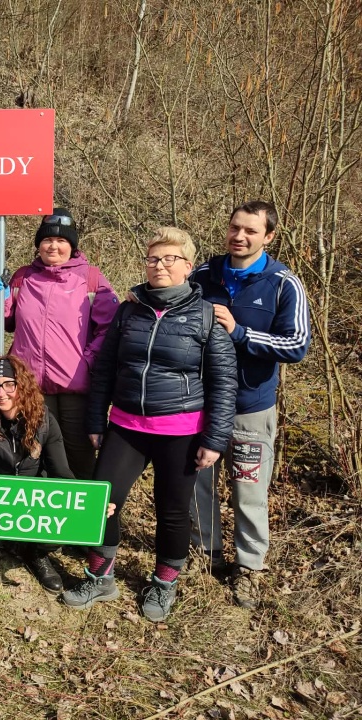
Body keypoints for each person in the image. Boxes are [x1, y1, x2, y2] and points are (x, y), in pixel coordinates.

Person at [64, 227, 237, 622]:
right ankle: (100, 575)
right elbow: (106, 368)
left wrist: (214, 439)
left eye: (169, 259)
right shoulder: (130, 309)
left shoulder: (208, 317)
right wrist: (96, 418)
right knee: (101, 503)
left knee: (173, 510)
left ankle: (164, 583)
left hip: (181, 430)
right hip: (125, 425)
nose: (159, 266)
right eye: (153, 258)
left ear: (188, 267)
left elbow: (224, 382)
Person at [189, 200, 310, 609]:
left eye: (251, 231)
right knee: (198, 483)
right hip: (200, 403)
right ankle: (204, 554)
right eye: (234, 227)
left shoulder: (282, 283)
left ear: (269, 237)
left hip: (250, 407)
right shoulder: (203, 275)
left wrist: (240, 332)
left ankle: (249, 567)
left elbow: (297, 345)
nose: (239, 236)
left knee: (249, 489)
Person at [1, 208, 118, 480]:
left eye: (61, 241)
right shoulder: (23, 277)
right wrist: (1, 298)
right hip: (29, 385)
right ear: (38, 244)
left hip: (75, 389)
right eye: (47, 240)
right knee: (31, 454)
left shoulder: (90, 279)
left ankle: (81, 517)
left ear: (72, 246)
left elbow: (110, 330)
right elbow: (6, 322)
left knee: (78, 456)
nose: (53, 246)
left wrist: (86, 361)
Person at [0, 356, 75, 593]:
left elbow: (61, 472)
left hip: (31, 499)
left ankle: (35, 553)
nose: (1, 393)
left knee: (63, 520)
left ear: (21, 386)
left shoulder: (44, 421)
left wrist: (90, 503)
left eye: (9, 384)